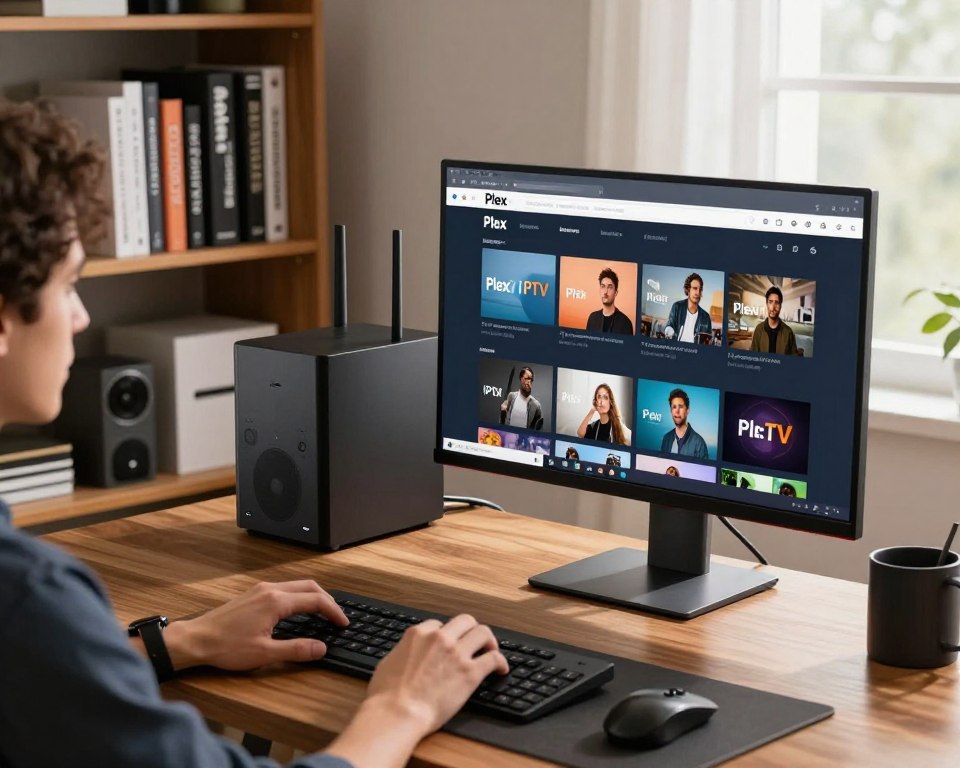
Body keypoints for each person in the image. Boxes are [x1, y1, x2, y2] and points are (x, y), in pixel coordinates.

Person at [0, 100, 508, 768]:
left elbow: (35, 682)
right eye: (69, 285)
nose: (82, 316)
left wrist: (181, 642)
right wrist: (403, 706)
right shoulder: (29, 597)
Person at [659, 388, 708, 459]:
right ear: (671, 411)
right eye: (674, 407)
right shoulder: (666, 438)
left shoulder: (699, 443)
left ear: (687, 410)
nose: (677, 411)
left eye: (681, 407)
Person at [750, 286, 800, 355]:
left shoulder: (788, 333)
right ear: (767, 304)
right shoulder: (758, 330)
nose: (773, 307)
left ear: (780, 306)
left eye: (776, 303)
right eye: (770, 302)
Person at [664, 272, 712, 344]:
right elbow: (670, 325)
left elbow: (709, 341)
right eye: (695, 288)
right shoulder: (677, 307)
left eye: (700, 289)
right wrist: (669, 331)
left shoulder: (706, 317)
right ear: (688, 290)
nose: (697, 293)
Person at [585, 267, 633, 335]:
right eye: (603, 286)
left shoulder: (625, 323)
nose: (605, 291)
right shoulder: (592, 318)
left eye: (610, 287)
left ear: (616, 292)